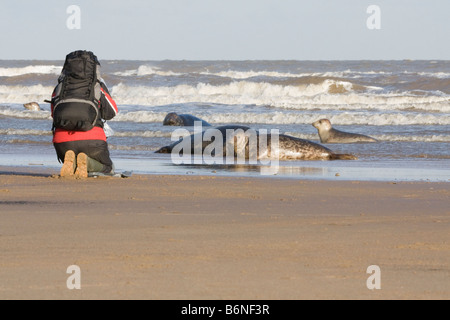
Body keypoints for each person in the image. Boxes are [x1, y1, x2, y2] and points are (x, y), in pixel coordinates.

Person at [50, 50, 118, 178]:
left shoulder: (60, 87)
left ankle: (73, 162)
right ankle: (86, 162)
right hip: (93, 141)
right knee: (109, 168)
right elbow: (111, 112)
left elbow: (55, 114)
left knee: (71, 156)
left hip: (62, 143)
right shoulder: (97, 86)